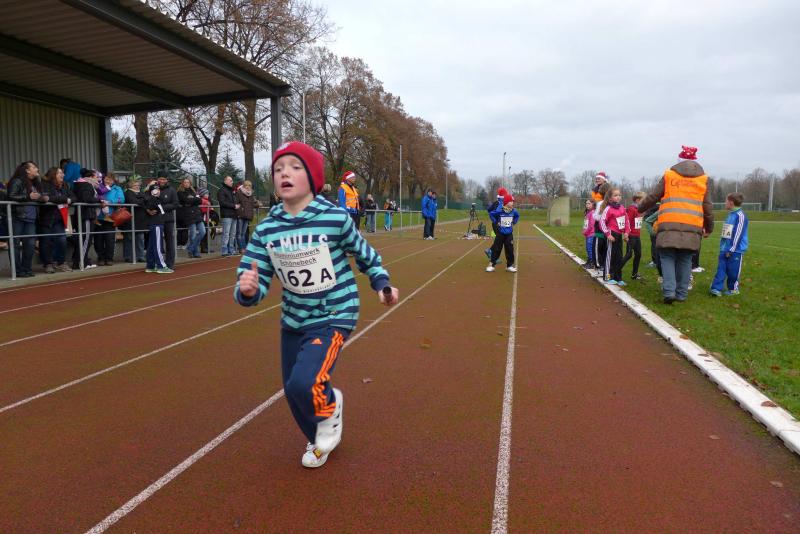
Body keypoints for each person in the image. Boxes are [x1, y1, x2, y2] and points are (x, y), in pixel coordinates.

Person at [235, 141, 399, 468]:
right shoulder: (267, 229)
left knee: (305, 383)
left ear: (312, 177)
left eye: (295, 167)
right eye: (278, 169)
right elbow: (255, 273)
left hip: (335, 312)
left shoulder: (335, 218)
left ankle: (330, 408)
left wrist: (381, 284)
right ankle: (318, 439)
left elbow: (365, 255)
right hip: (294, 318)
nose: (285, 173)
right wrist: (248, 288)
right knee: (293, 391)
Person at [638, 146, 714, 304]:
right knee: (685, 259)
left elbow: (653, 196)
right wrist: (709, 227)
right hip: (692, 226)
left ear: (679, 161)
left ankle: (669, 292)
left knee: (667, 257)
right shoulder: (703, 179)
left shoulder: (669, 175)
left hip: (669, 224)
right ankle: (681, 294)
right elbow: (707, 207)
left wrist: (639, 208)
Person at [6, 161, 44, 277]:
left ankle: (27, 269)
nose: (37, 169)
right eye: (34, 167)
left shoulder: (35, 183)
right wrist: (28, 196)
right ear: (27, 170)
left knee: (30, 245)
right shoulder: (17, 181)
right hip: (18, 217)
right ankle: (18, 271)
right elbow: (11, 196)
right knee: (15, 244)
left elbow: (37, 197)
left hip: (31, 219)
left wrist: (42, 198)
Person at [710, 192, 749, 296]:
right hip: (724, 248)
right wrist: (723, 246)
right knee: (721, 269)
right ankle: (716, 288)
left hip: (735, 250)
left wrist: (731, 249)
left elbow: (738, 234)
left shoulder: (740, 216)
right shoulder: (731, 215)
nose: (725, 203)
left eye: (726, 201)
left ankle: (733, 289)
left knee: (733, 271)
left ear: (731, 202)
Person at [38, 167, 73, 273]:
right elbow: (47, 197)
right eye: (59, 173)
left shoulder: (65, 185)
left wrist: (69, 200)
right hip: (46, 218)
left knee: (62, 241)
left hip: (59, 218)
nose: (63, 175)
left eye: (63, 173)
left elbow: (74, 197)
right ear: (53, 174)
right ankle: (48, 264)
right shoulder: (44, 184)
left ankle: (60, 262)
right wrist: (65, 199)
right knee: (46, 241)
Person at [70, 169, 102, 270]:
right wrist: (99, 200)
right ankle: (82, 262)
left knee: (83, 239)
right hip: (86, 215)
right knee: (86, 240)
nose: (98, 179)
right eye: (96, 177)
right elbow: (86, 198)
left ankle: (80, 261)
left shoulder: (79, 184)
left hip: (83, 214)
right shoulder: (86, 185)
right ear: (91, 177)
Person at [599, 188, 630, 286]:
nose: (618, 197)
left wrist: (626, 233)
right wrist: (608, 234)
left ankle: (618, 277)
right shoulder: (608, 209)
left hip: (619, 235)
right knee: (610, 256)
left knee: (619, 257)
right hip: (612, 234)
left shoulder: (622, 208)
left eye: (619, 195)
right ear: (610, 198)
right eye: (615, 195)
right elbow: (602, 222)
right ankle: (608, 277)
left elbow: (626, 221)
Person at [94, 173, 124, 266]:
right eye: (106, 179)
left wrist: (110, 202)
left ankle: (109, 258)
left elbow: (121, 199)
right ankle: (101, 258)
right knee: (98, 239)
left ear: (114, 181)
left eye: (110, 180)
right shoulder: (99, 187)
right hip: (98, 217)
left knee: (109, 239)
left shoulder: (117, 189)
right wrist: (99, 201)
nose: (108, 181)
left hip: (111, 217)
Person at [486, 193, 519, 272]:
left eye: (513, 201)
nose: (512, 203)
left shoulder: (514, 211)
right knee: (496, 249)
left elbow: (517, 216)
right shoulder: (500, 211)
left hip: (509, 234)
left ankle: (509, 266)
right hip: (500, 233)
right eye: (511, 201)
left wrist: (514, 222)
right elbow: (491, 214)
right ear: (506, 202)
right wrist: (496, 222)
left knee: (510, 249)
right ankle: (492, 265)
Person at [143, 181, 171, 274]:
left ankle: (150, 266)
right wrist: (148, 208)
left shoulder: (157, 199)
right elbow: (146, 203)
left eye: (158, 189)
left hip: (157, 223)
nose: (158, 191)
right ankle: (161, 266)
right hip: (156, 224)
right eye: (155, 189)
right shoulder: (152, 199)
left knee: (151, 246)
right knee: (158, 246)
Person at [155, 176, 179, 268]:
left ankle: (170, 263)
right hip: (156, 218)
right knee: (157, 241)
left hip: (168, 219)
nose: (162, 181)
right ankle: (158, 262)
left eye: (164, 179)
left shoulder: (172, 190)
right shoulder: (153, 189)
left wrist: (162, 207)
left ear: (167, 180)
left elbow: (175, 204)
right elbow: (148, 200)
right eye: (160, 179)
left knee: (169, 241)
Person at [178, 178, 205, 258]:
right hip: (188, 215)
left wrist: (192, 200)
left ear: (190, 183)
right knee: (192, 234)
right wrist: (194, 200)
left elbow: (200, 201)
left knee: (203, 232)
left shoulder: (194, 191)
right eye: (185, 182)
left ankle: (190, 248)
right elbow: (186, 200)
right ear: (182, 183)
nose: (186, 183)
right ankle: (195, 252)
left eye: (188, 182)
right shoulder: (180, 192)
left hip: (197, 214)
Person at [621, 191, 645, 280]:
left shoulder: (639, 209)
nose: (645, 202)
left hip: (637, 235)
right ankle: (614, 271)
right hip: (631, 235)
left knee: (638, 254)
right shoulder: (632, 209)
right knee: (629, 254)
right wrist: (626, 234)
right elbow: (627, 222)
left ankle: (634, 274)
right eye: (643, 200)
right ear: (638, 200)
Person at [122, 177, 147, 263]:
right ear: (130, 185)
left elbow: (146, 200)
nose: (137, 186)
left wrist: (141, 200)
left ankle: (140, 256)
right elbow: (134, 201)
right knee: (129, 238)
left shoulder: (142, 193)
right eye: (135, 185)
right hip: (130, 219)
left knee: (140, 239)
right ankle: (128, 256)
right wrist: (142, 200)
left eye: (138, 185)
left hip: (140, 220)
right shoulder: (128, 192)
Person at [591, 172, 611, 271]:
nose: (597, 180)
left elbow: (597, 217)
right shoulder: (595, 190)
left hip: (600, 226)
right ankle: (603, 264)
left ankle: (598, 265)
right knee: (604, 245)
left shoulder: (602, 203)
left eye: (599, 178)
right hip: (608, 227)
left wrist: (595, 213)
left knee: (598, 245)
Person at [485, 187, 508, 262]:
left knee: (499, 240)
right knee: (499, 240)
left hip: (495, 224)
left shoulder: (496, 202)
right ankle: (491, 253)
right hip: (498, 224)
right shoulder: (502, 204)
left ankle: (491, 253)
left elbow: (488, 210)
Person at [218, 175, 239, 256]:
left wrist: (237, 205)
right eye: (230, 180)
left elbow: (235, 201)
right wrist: (234, 206)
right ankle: (224, 250)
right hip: (226, 215)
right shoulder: (221, 191)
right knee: (226, 233)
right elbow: (222, 202)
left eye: (232, 181)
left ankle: (231, 249)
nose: (232, 182)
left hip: (234, 215)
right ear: (225, 181)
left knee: (233, 234)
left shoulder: (232, 191)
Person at [235, 180, 258, 253]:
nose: (248, 187)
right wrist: (239, 212)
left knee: (243, 233)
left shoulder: (251, 194)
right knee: (239, 233)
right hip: (241, 215)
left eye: (249, 185)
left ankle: (244, 247)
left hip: (247, 215)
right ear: (244, 186)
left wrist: (258, 204)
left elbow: (252, 204)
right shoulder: (239, 192)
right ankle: (241, 248)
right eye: (246, 185)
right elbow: (236, 203)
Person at [582, 199, 596, 269]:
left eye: (589, 203)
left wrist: (585, 232)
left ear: (593, 204)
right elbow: (586, 224)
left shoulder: (593, 212)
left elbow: (591, 226)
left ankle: (592, 263)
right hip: (588, 234)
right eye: (586, 203)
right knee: (588, 248)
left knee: (590, 248)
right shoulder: (588, 212)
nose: (587, 205)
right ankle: (589, 261)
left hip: (591, 234)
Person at [198, 188, 213, 254]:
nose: (207, 195)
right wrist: (209, 208)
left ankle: (207, 247)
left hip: (207, 218)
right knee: (204, 234)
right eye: (206, 194)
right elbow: (203, 210)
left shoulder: (207, 200)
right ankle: (203, 248)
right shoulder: (201, 200)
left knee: (207, 234)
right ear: (202, 194)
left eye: (208, 194)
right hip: (203, 219)